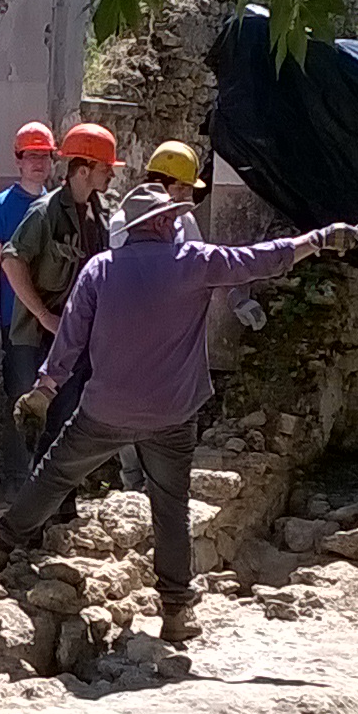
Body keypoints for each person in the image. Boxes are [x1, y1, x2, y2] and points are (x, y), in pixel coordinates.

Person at [0, 186, 345, 642]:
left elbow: (71, 339)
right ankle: (176, 611)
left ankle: (1, 546)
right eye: (175, 216)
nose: (180, 221)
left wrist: (45, 388)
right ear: (159, 224)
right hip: (172, 415)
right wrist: (319, 239)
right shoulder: (195, 262)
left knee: (55, 476)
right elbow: (262, 258)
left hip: (105, 410)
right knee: (170, 509)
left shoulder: (100, 269)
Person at [112, 140, 264, 491]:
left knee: (169, 416)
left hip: (174, 340)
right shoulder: (123, 223)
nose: (188, 197)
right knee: (127, 414)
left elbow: (207, 265)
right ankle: (130, 489)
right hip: (133, 337)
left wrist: (238, 298)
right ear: (162, 184)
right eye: (183, 187)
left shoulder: (185, 223)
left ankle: (157, 489)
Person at [0, 122, 120, 477]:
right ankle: (18, 505)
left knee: (64, 424)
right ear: (83, 170)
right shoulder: (44, 212)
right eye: (105, 168)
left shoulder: (100, 216)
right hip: (37, 340)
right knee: (30, 422)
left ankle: (55, 506)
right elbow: (11, 260)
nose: (111, 175)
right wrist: (42, 315)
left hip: (76, 340)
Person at [0, 122, 54, 504]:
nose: (39, 163)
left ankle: (41, 482)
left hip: (53, 326)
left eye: (44, 156)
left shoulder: (58, 205)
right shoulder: (1, 207)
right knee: (18, 399)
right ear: (19, 160)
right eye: (32, 155)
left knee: (48, 400)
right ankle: (12, 481)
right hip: (15, 322)